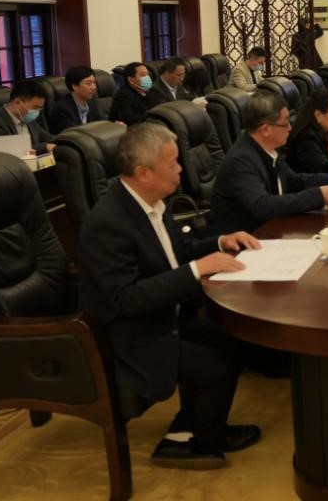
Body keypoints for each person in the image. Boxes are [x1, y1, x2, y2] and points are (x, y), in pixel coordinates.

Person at [79, 122, 262, 469]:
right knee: (213, 364)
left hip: (165, 314)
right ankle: (196, 443)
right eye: (173, 163)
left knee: (234, 336)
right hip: (129, 334)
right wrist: (197, 269)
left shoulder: (152, 203)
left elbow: (178, 252)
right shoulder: (108, 223)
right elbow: (126, 298)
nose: (181, 168)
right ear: (143, 172)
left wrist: (220, 242)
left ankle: (198, 426)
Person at [209, 90, 328, 235]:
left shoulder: (268, 148)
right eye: (285, 123)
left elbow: (293, 181)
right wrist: (318, 196)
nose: (290, 128)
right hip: (246, 239)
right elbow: (261, 206)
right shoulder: (241, 160)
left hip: (272, 229)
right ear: (266, 129)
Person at [0, 79, 55, 154]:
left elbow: (48, 138)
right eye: (35, 108)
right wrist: (44, 147)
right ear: (17, 102)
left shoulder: (28, 119)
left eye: (40, 108)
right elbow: (10, 151)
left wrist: (59, 141)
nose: (37, 112)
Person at [48, 65, 108, 134]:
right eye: (88, 83)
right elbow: (74, 134)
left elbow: (101, 121)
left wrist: (111, 125)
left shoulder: (92, 102)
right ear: (74, 86)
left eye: (94, 83)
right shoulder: (62, 109)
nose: (94, 87)